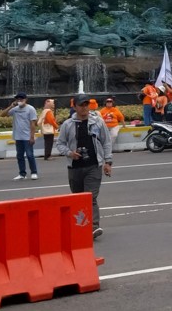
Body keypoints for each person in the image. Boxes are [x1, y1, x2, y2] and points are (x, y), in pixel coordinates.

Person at [55, 93, 112, 238]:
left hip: (94, 165)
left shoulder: (98, 122)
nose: (85, 108)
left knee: (90, 197)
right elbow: (60, 143)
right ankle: (80, 225)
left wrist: (108, 162)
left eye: (87, 104)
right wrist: (69, 153)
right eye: (81, 105)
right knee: (78, 198)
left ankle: (94, 227)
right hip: (75, 167)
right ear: (75, 107)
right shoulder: (68, 124)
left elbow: (106, 142)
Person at [1, 92, 38, 181]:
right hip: (18, 136)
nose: (19, 101)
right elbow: (2, 114)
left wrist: (32, 136)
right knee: (19, 156)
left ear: (25, 100)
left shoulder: (30, 109)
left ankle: (34, 172)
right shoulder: (15, 109)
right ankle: (22, 174)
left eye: (21, 99)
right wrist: (11, 106)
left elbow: (33, 124)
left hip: (27, 136)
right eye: (18, 99)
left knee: (30, 155)